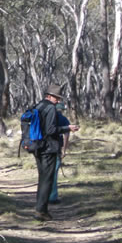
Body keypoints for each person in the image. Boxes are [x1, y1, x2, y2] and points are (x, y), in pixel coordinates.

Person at [33, 85, 79, 221]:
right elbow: (51, 130)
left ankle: (40, 208)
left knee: (42, 178)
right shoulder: (50, 109)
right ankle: (41, 211)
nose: (58, 101)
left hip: (37, 147)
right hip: (49, 148)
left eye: (59, 98)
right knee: (47, 179)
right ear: (49, 96)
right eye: (56, 98)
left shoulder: (38, 106)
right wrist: (67, 128)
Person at [48, 102, 74, 204]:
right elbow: (66, 135)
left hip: (43, 149)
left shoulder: (45, 118)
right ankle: (52, 197)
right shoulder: (63, 119)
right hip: (56, 148)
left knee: (45, 173)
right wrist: (64, 150)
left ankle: (43, 196)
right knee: (54, 173)